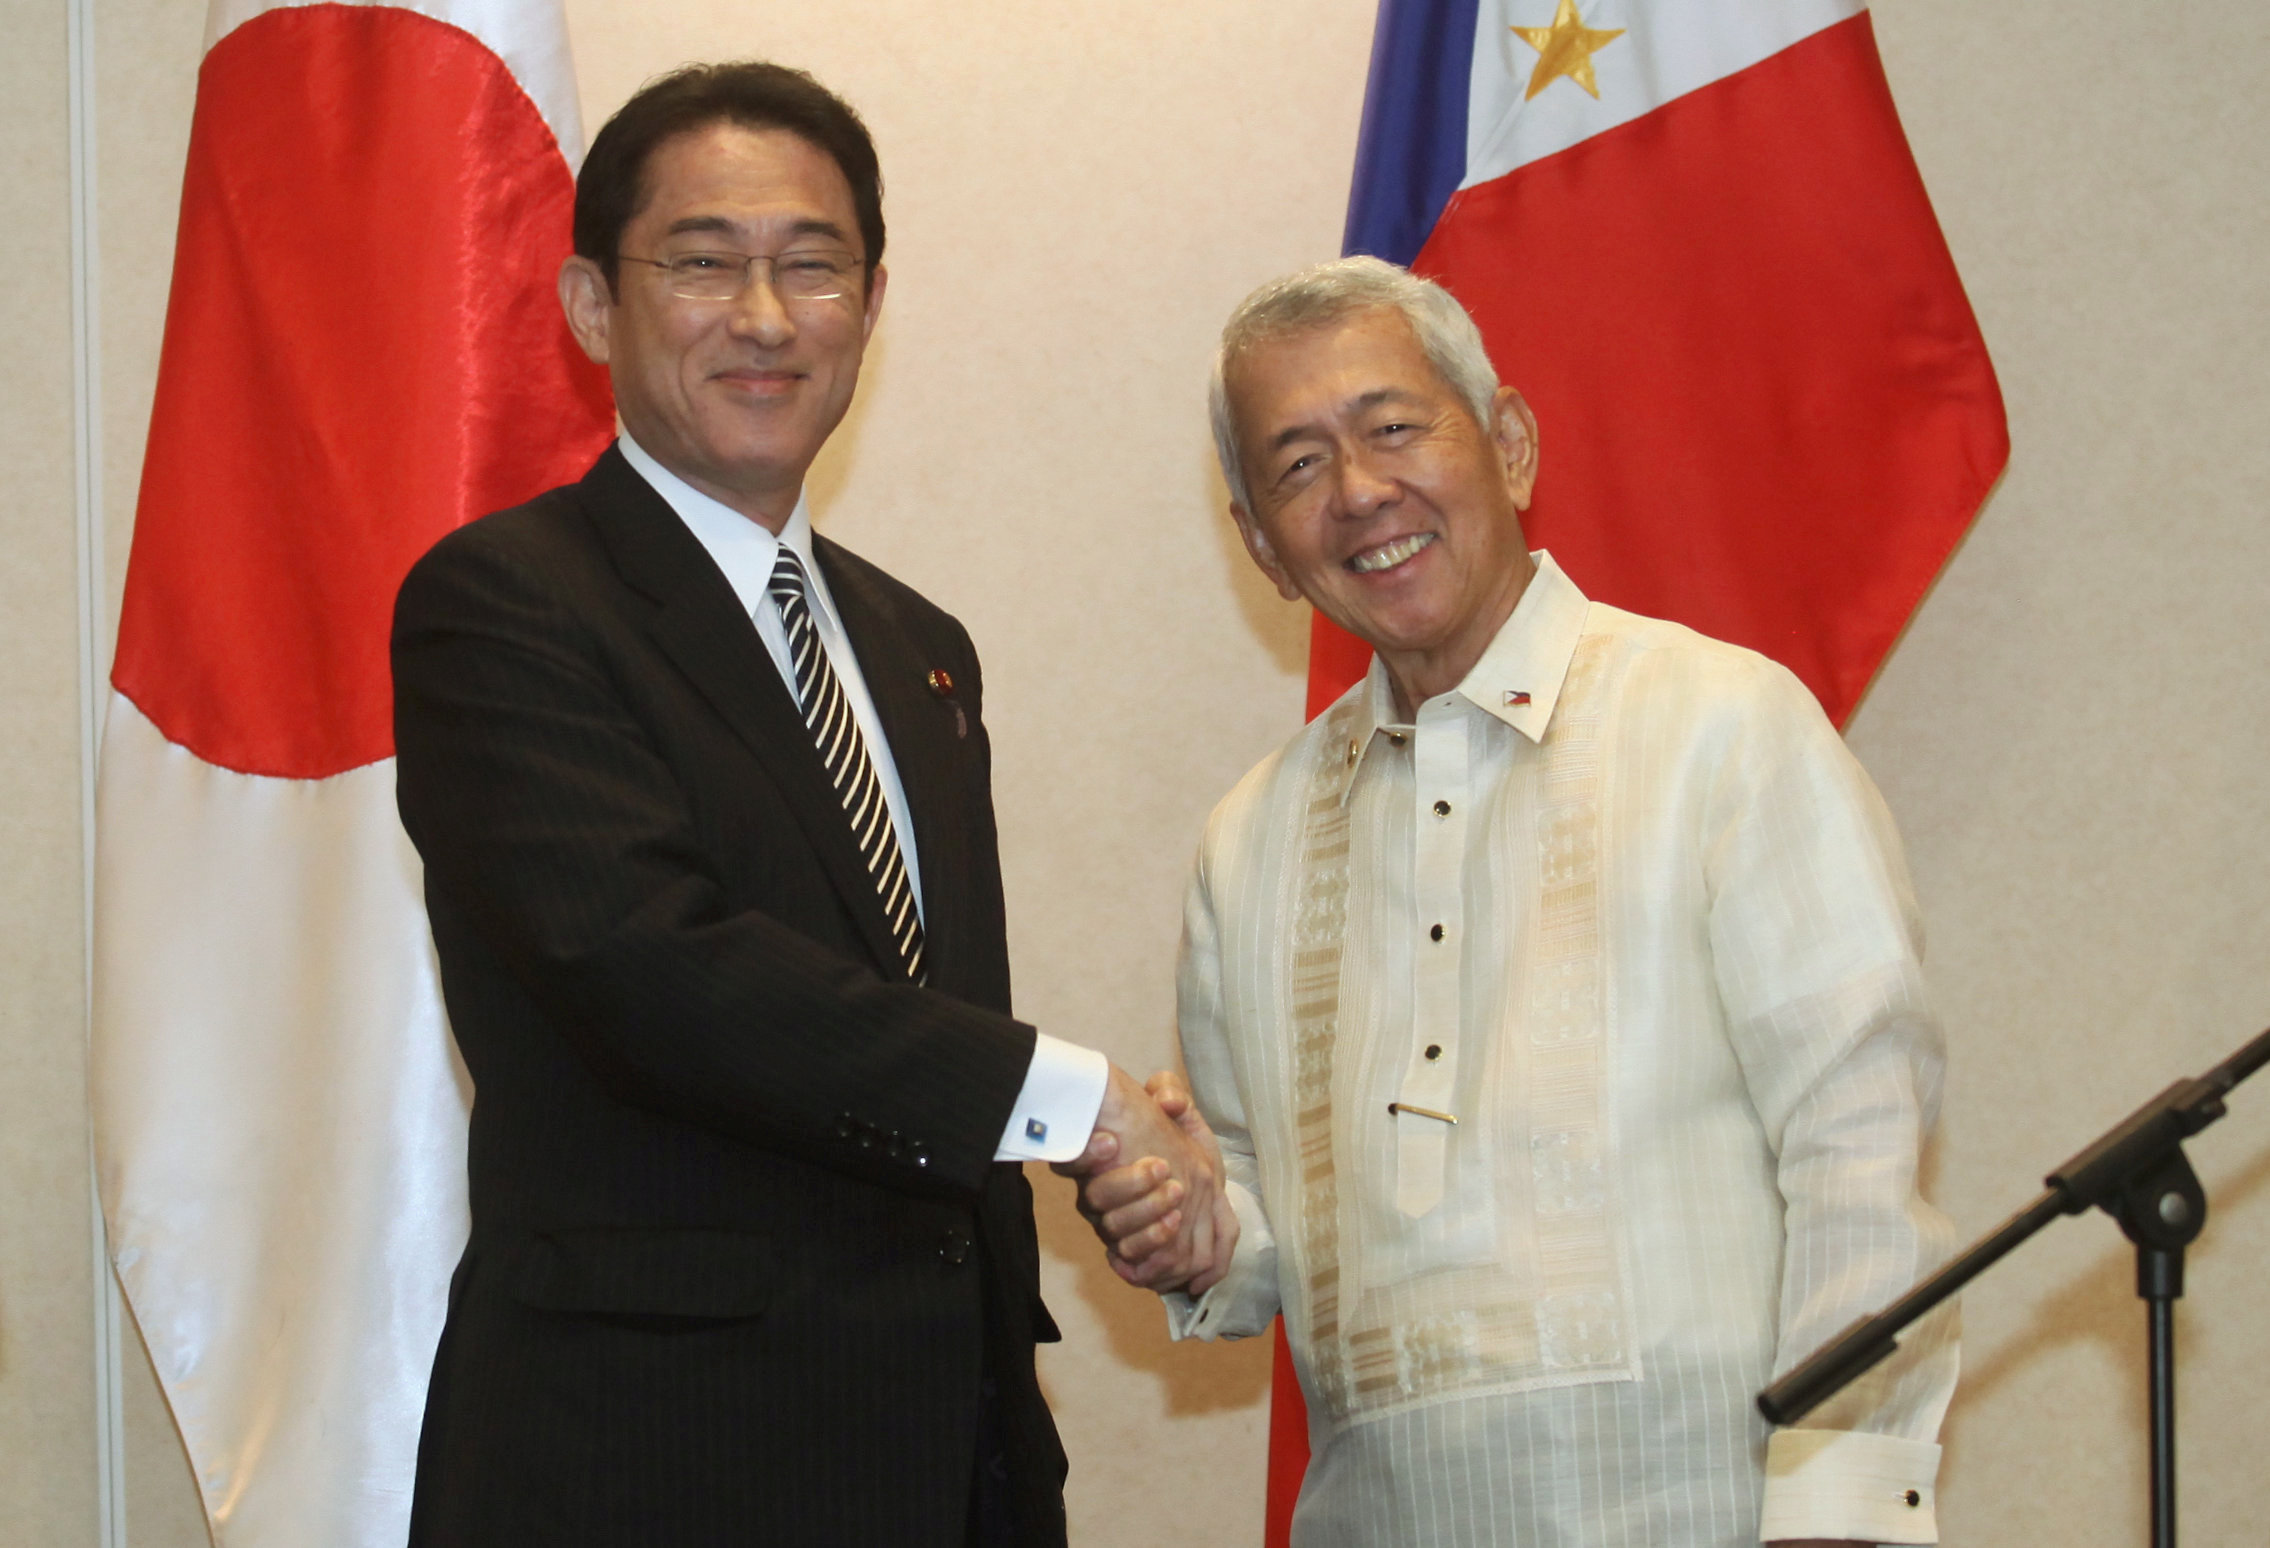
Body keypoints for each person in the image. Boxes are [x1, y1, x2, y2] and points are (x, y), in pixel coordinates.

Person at [391, 61, 1221, 1548]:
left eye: (813, 265)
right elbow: (648, 970)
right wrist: (1066, 1101)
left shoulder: (919, 649)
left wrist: (1115, 1169)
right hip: (648, 1470)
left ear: (871, 304)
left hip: (950, 1467)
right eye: (703, 263)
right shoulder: (505, 603)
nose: (765, 318)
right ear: (593, 305)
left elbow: (911, 1029)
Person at [1078, 257, 1958, 1547]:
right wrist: (1193, 1221)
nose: (1360, 491)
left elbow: (1858, 1151)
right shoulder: (1247, 840)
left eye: (1393, 426)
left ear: (1509, 443)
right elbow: (1271, 1230)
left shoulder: (1724, 727)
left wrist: (1840, 1515)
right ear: (1262, 546)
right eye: (1300, 466)